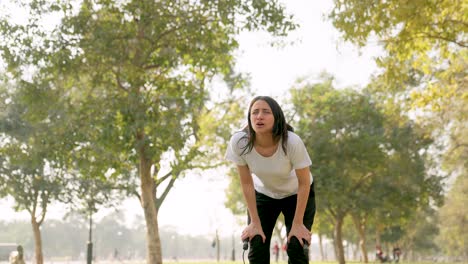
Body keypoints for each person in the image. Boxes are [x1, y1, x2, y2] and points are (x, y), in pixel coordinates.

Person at [225, 96, 316, 264]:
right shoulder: (240, 142)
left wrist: (297, 224)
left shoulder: (291, 142)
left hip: (297, 193)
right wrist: (254, 223)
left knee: (296, 244)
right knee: (257, 241)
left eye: (266, 112)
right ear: (249, 118)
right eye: (255, 112)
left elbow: (304, 183)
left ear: (277, 118)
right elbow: (246, 183)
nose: (259, 116)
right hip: (264, 194)